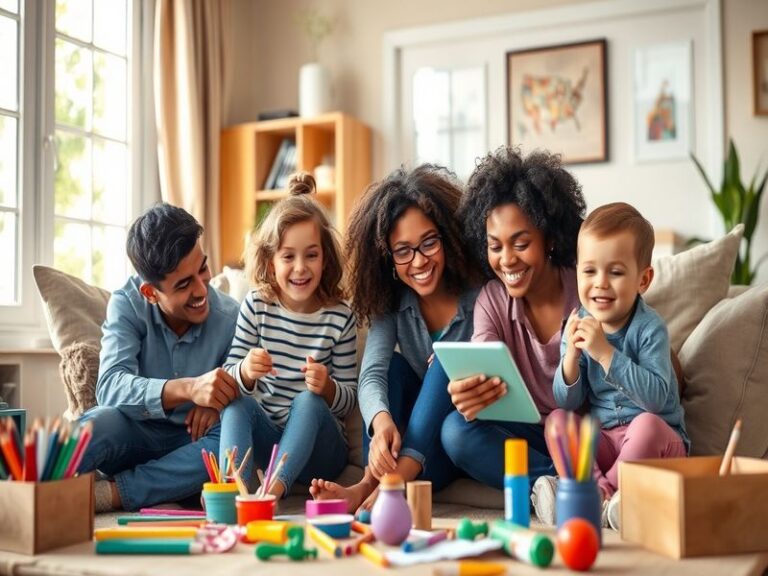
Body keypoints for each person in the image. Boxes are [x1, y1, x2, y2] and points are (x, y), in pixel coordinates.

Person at [309, 164, 482, 513]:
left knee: (447, 359)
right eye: (403, 251)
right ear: (387, 257)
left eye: (429, 242)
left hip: (449, 438)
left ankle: (392, 485)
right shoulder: (392, 300)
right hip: (409, 437)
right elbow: (372, 372)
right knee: (393, 369)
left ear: (447, 236)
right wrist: (381, 420)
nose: (418, 261)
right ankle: (365, 486)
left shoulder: (478, 294)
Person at [441, 147, 586, 496]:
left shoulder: (585, 287)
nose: (507, 260)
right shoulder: (491, 299)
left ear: (550, 239)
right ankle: (556, 483)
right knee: (455, 432)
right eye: (495, 246)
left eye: (520, 244)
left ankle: (578, 478)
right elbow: (482, 360)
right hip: (528, 430)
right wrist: (469, 392)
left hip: (583, 430)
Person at [78, 203, 240, 512]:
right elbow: (111, 386)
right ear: (151, 293)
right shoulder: (126, 303)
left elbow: (246, 394)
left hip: (193, 444)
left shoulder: (231, 316)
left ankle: (112, 494)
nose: (201, 289)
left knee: (229, 443)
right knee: (96, 425)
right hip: (134, 433)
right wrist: (190, 389)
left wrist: (219, 404)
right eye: (183, 284)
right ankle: (31, 493)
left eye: (202, 269)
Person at [539, 202, 689, 530]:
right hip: (606, 442)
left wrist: (606, 354)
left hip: (657, 445)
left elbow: (659, 399)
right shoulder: (577, 322)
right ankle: (600, 497)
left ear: (643, 279)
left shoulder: (650, 329)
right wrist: (571, 360)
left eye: (616, 272)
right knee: (557, 421)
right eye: (589, 271)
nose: (600, 283)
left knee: (646, 425)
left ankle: (592, 496)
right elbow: (566, 401)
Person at [219, 172, 357, 499]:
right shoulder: (257, 305)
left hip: (321, 453)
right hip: (269, 443)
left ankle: (273, 493)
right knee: (236, 405)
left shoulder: (340, 316)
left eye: (311, 255)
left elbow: (350, 398)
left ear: (325, 258)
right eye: (288, 256)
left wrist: (328, 388)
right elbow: (228, 377)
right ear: (270, 261)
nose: (300, 268)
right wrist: (245, 372)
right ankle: (233, 491)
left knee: (307, 401)